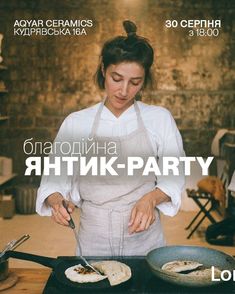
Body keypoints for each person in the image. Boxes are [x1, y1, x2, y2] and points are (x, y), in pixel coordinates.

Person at [36, 20, 185, 256]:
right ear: (104, 69)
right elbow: (54, 181)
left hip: (144, 240)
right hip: (94, 240)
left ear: (143, 81)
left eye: (134, 82)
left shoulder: (159, 119)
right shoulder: (77, 122)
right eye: (117, 78)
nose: (124, 91)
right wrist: (57, 202)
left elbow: (174, 177)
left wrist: (151, 199)